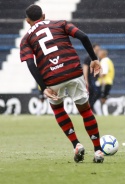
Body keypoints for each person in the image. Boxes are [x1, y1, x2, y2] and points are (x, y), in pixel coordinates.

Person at [20, 4, 104, 163]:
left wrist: (44, 87)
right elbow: (84, 37)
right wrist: (94, 59)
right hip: (73, 71)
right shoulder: (60, 24)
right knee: (85, 111)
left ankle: (76, 144)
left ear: (27, 21)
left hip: (52, 78)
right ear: (43, 16)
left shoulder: (26, 39)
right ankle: (98, 150)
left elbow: (31, 64)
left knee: (58, 109)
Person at [94, 49, 115, 116]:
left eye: (99, 53)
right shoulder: (109, 61)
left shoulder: (104, 61)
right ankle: (102, 113)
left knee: (101, 98)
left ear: (102, 54)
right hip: (108, 82)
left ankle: (102, 113)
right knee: (104, 97)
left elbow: (104, 72)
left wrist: (101, 77)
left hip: (104, 82)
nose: (98, 54)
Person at [83, 44, 101, 112]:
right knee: (94, 92)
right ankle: (90, 107)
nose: (98, 51)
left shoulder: (96, 58)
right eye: (97, 50)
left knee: (96, 93)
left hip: (95, 79)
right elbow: (85, 69)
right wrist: (86, 80)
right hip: (90, 79)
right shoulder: (88, 58)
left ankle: (90, 107)